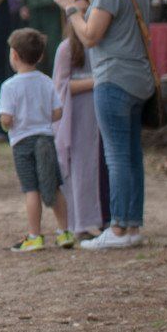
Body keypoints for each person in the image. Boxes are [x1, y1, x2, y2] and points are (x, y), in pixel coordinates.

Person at [55, 0, 154, 249]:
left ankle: (120, 228)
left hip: (113, 79)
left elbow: (90, 35)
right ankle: (133, 224)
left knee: (117, 156)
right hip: (139, 79)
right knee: (132, 155)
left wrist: (70, 6)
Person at [0, 28, 70, 252]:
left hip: (22, 143)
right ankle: (65, 232)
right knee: (53, 184)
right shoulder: (46, 81)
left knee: (32, 189)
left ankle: (35, 235)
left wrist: (5, 125)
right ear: (39, 57)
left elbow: (7, 119)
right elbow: (57, 113)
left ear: (14, 56)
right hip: (46, 139)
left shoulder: (9, 86)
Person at [51, 26, 103, 242]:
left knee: (95, 167)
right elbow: (60, 86)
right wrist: (97, 81)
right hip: (76, 114)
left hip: (98, 112)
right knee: (79, 166)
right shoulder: (66, 48)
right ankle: (78, 221)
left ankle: (95, 219)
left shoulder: (100, 45)